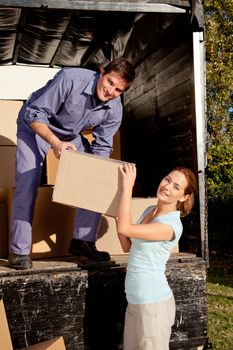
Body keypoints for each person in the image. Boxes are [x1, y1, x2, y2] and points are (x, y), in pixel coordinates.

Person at [8, 57, 135, 270]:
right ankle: (18, 251)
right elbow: (34, 114)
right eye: (110, 82)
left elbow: (103, 147)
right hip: (35, 126)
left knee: (97, 174)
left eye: (118, 90)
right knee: (27, 182)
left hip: (70, 134)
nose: (111, 91)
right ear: (102, 73)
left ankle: (83, 241)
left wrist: (97, 174)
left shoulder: (114, 109)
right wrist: (56, 144)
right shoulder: (70, 78)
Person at [116, 163, 197, 350]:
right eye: (167, 179)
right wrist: (116, 214)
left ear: (184, 197)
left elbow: (125, 228)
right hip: (135, 300)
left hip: (153, 305)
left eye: (176, 187)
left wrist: (126, 187)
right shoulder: (150, 211)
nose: (167, 186)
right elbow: (127, 245)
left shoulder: (171, 226)